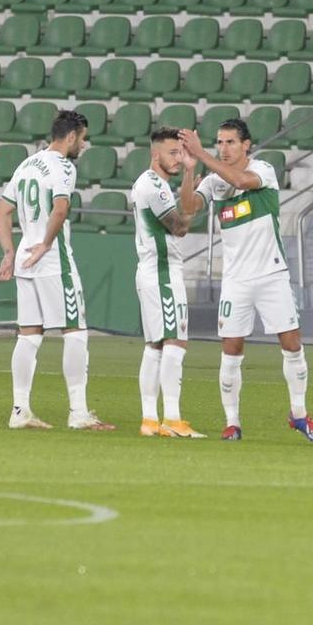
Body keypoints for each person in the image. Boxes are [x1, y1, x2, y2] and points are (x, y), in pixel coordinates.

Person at [178, 121, 313, 443]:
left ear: (247, 145)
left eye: (230, 142)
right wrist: (190, 171)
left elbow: (242, 180)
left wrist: (201, 153)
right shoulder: (215, 180)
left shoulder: (263, 170)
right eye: (219, 142)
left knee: (292, 344)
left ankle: (298, 415)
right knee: (231, 350)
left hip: (271, 275)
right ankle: (233, 423)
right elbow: (188, 208)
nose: (224, 148)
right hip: (236, 280)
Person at [0, 109, 109, 431]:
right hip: (51, 260)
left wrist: (8, 252)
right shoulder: (63, 166)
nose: (83, 146)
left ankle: (20, 410)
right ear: (71, 136)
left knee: (29, 335)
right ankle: (79, 413)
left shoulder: (28, 163)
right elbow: (61, 208)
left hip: (24, 262)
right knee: (75, 332)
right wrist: (46, 243)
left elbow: (2, 211)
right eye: (83, 139)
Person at [131, 127, 204, 438]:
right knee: (175, 341)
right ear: (155, 153)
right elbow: (180, 226)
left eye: (180, 153)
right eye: (172, 153)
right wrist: (190, 179)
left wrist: (187, 180)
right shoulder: (155, 186)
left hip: (152, 271)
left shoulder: (148, 184)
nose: (178, 158)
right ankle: (172, 419)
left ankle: (150, 420)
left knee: (156, 346)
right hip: (162, 273)